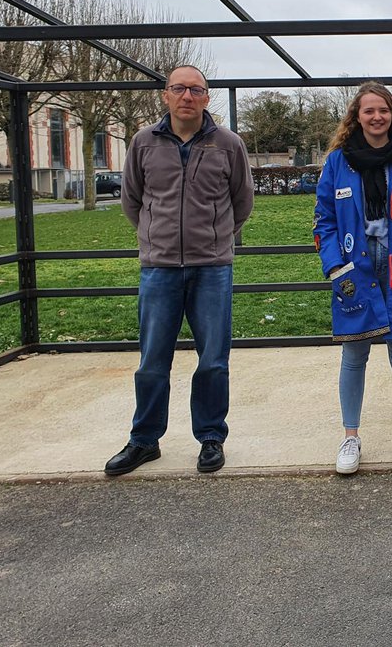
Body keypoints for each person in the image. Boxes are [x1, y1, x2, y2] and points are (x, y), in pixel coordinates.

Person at [105, 65, 255, 476]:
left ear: (207, 98)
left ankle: (210, 437)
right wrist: (155, 238)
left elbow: (242, 202)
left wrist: (215, 238)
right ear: (165, 96)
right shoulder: (143, 143)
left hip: (212, 269)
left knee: (213, 360)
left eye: (196, 90)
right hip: (159, 269)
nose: (187, 96)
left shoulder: (228, 144)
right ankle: (144, 440)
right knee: (152, 360)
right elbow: (132, 201)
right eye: (179, 89)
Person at [314, 82, 392, 475]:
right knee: (353, 355)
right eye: (368, 111)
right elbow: (324, 220)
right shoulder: (337, 162)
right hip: (355, 276)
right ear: (357, 117)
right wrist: (336, 267)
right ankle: (350, 436)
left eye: (383, 110)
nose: (376, 117)